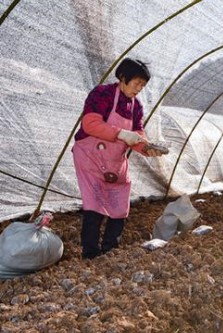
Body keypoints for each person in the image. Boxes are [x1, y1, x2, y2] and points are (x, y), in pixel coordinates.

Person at [72, 58, 165, 259]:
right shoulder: (102, 94)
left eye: (143, 85)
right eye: (137, 83)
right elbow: (90, 124)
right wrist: (122, 134)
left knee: (120, 203)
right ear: (123, 77)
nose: (139, 88)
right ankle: (90, 254)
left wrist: (147, 148)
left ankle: (110, 250)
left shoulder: (136, 106)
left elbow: (137, 134)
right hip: (91, 156)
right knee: (95, 204)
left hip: (115, 160)